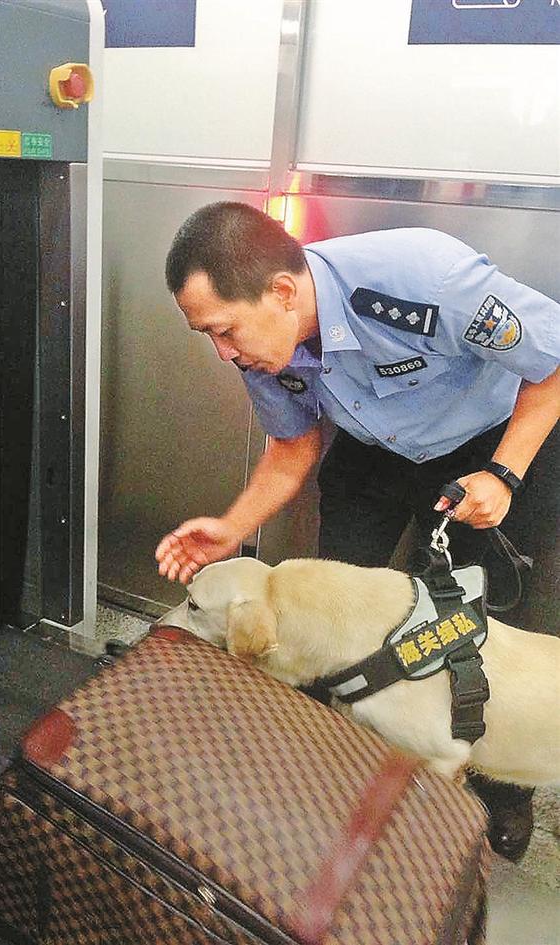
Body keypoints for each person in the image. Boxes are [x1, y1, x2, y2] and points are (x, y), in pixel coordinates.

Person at [155, 202, 560, 861]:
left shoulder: (424, 279)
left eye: (224, 331)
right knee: (325, 616)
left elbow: (553, 361)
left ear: (282, 292)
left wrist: (504, 474)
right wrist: (232, 527)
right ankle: (336, 763)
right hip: (373, 454)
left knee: (481, 630)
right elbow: (293, 446)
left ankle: (501, 788)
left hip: (488, 449)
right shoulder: (265, 350)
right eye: (210, 335)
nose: (223, 351)